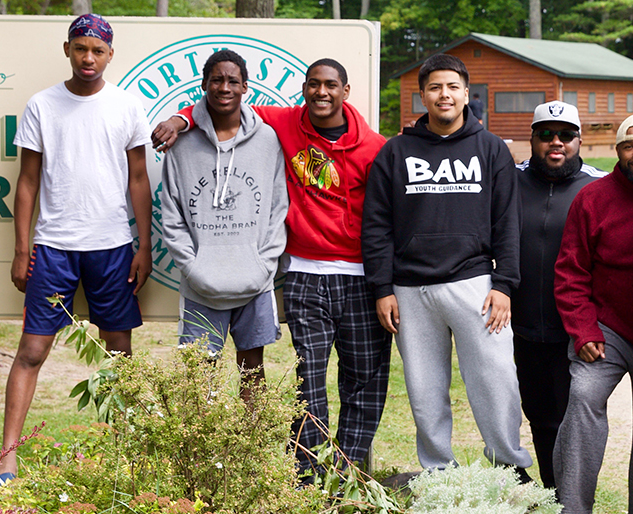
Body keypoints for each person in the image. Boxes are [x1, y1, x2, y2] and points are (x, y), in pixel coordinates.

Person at [152, 58, 392, 474]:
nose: (321, 92)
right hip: (305, 273)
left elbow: (387, 216)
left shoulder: (375, 148)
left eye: (331, 85)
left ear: (345, 91)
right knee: (308, 383)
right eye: (313, 84)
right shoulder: (284, 123)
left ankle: (351, 472)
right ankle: (304, 473)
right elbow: (221, 105)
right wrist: (180, 116)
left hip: (358, 276)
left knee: (364, 381)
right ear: (302, 88)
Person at [0, 13, 152, 483]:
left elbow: (139, 180)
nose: (89, 58)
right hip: (55, 248)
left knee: (118, 353)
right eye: (81, 48)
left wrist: (143, 246)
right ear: (67, 49)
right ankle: (7, 459)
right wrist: (22, 247)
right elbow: (26, 182)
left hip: (111, 248)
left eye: (98, 50)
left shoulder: (127, 106)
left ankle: (121, 453)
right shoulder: (42, 105)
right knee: (32, 351)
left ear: (110, 55)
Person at [361, 54, 531, 477]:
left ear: (466, 92)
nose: (444, 95)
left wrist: (505, 284)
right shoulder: (396, 152)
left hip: (475, 283)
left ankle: (508, 466)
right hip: (410, 290)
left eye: (452, 86)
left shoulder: (491, 149)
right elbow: (377, 225)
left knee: (496, 380)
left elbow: (508, 221)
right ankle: (438, 471)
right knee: (424, 389)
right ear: (423, 95)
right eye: (435, 87)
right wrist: (382, 288)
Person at [553, 112, 633, 514]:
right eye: (629, 146)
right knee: (584, 396)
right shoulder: (593, 198)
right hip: (607, 329)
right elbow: (570, 270)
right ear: (617, 152)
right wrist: (583, 330)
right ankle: (572, 508)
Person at [157, 49, 287, 392]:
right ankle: (203, 448)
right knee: (200, 378)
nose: (224, 87)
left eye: (232, 80)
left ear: (246, 87)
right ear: (204, 85)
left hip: (254, 282)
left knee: (253, 371)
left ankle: (250, 444)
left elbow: (278, 208)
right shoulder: (181, 144)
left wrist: (264, 263)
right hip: (202, 284)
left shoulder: (268, 139)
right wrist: (193, 266)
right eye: (217, 79)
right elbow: (171, 214)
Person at [512, 100, 606, 489]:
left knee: (574, 414)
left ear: (579, 140)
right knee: (537, 413)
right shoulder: (510, 180)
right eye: (546, 134)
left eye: (566, 135)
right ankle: (552, 490)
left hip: (576, 328)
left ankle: (572, 493)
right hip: (518, 325)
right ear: (532, 139)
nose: (556, 142)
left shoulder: (599, 185)